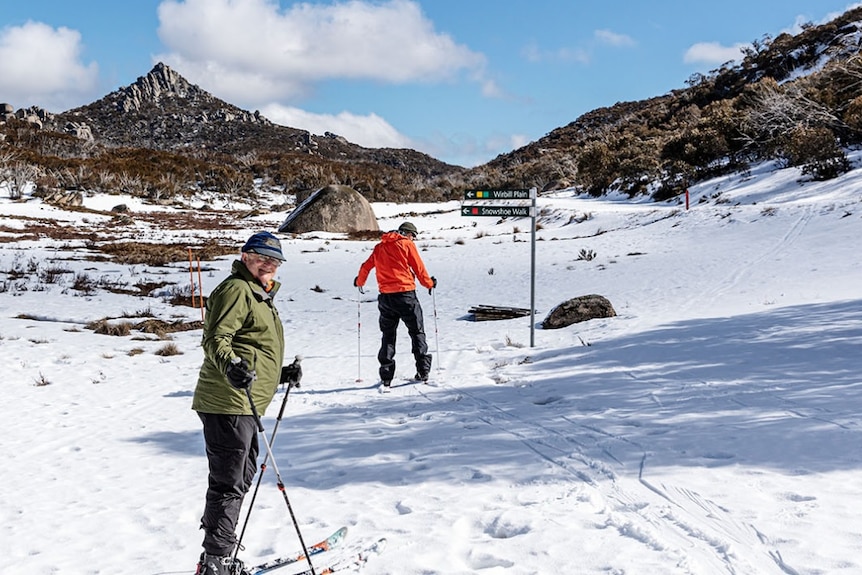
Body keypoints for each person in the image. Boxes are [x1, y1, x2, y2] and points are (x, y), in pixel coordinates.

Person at [192, 231, 286, 575]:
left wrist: (279, 372)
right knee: (229, 481)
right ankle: (216, 559)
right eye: (263, 258)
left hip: (244, 402)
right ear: (245, 256)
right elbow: (217, 338)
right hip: (227, 401)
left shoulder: (259, 294)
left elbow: (253, 346)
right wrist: (231, 367)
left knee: (242, 474)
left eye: (274, 261)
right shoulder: (237, 290)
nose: (269, 265)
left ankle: (218, 549)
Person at [354, 221, 436, 387]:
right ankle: (423, 371)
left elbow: (366, 266)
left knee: (388, 335)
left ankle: (386, 375)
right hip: (406, 296)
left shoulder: (379, 247)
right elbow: (419, 269)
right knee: (417, 332)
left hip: (386, 298)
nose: (413, 239)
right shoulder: (406, 245)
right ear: (407, 233)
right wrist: (429, 284)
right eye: (413, 235)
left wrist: (359, 281)